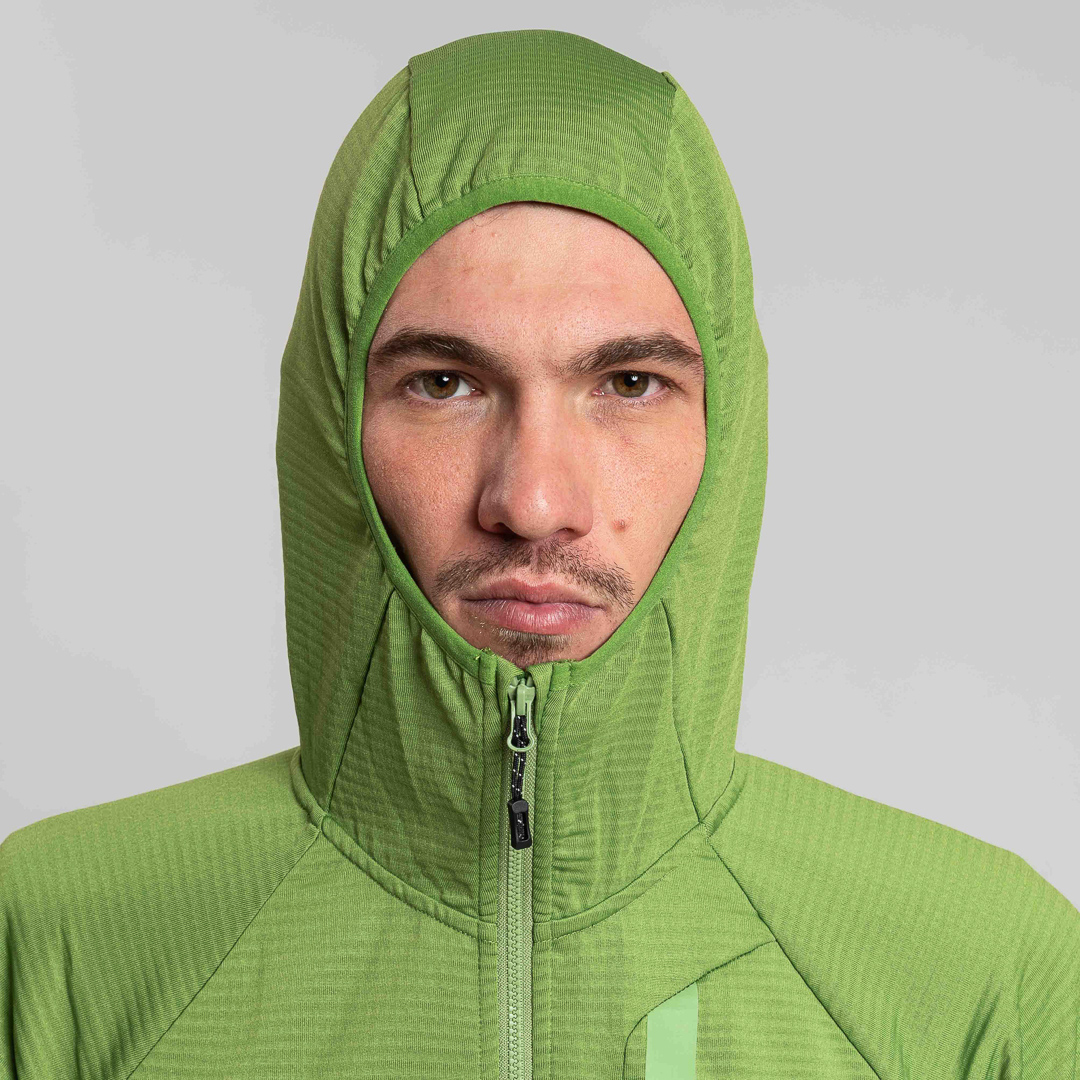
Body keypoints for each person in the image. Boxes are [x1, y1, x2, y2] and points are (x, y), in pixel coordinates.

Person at [1, 27, 1076, 1079]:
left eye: (629, 385)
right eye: (443, 384)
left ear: (728, 430)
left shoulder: (983, 979)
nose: (531, 502)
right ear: (331, 423)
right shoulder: (58, 948)